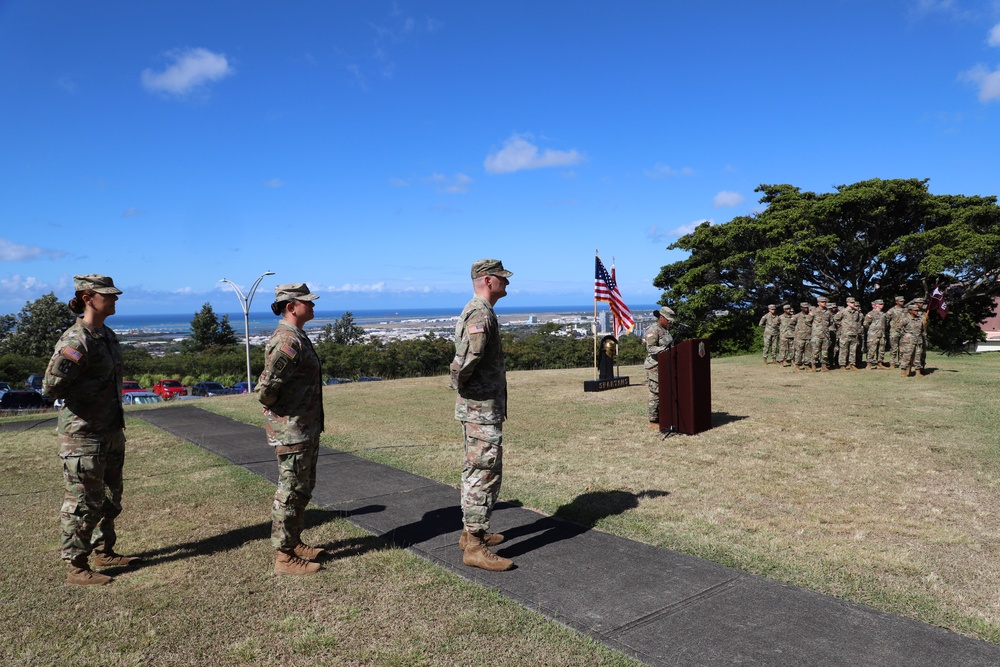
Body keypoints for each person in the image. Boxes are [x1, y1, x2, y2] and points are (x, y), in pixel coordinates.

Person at [43, 274, 138, 586]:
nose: (114, 299)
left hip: (109, 430)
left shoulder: (105, 336)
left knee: (109, 498)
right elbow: (51, 387)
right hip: (82, 436)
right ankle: (76, 566)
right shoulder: (76, 341)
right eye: (107, 295)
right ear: (87, 298)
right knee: (83, 503)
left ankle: (103, 551)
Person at [450, 259, 514, 572]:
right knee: (483, 473)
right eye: (503, 278)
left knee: (478, 468)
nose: (508, 283)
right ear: (488, 280)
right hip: (481, 408)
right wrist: (463, 386)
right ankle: (474, 546)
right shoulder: (479, 311)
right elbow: (466, 360)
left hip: (480, 407)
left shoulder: (481, 310)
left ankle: (470, 534)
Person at [258, 283, 325, 575]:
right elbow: (266, 388)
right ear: (291, 306)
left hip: (304, 427)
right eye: (307, 302)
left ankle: (294, 542)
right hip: (293, 429)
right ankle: (284, 557)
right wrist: (282, 415)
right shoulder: (287, 340)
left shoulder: (297, 336)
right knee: (290, 490)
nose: (312, 306)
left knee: (302, 488)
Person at [644, 306, 675, 426]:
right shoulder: (653, 330)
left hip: (666, 366)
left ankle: (665, 415)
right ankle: (653, 418)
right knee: (655, 392)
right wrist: (666, 349)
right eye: (668, 320)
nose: (670, 322)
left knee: (666, 391)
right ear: (661, 318)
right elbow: (651, 349)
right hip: (654, 366)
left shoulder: (666, 330)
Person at [897, 302, 926, 378]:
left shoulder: (920, 319)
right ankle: (903, 372)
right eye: (915, 310)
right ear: (910, 311)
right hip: (909, 342)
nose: (917, 311)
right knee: (907, 356)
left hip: (918, 341)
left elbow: (922, 329)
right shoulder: (905, 319)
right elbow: (898, 328)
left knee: (918, 356)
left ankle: (918, 372)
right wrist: (906, 335)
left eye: (917, 310)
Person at [836, 298, 864, 370]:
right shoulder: (843, 311)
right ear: (847, 303)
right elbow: (836, 319)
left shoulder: (856, 312)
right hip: (845, 333)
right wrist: (843, 326)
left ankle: (852, 364)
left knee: (853, 350)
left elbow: (858, 322)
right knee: (843, 349)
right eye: (851, 302)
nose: (853, 304)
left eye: (853, 302)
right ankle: (842, 365)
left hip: (854, 333)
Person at [863, 299, 889, 369]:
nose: (882, 305)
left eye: (882, 304)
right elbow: (865, 324)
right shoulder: (870, 314)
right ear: (876, 305)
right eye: (880, 304)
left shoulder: (883, 314)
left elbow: (886, 324)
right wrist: (872, 329)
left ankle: (880, 363)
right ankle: (869, 364)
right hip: (873, 335)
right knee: (871, 349)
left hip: (881, 334)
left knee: (881, 349)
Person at [810, 296, 833, 372]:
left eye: (825, 302)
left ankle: (824, 366)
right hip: (816, 335)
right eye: (822, 302)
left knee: (825, 352)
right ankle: (814, 366)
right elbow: (808, 321)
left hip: (825, 335)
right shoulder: (814, 311)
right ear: (818, 303)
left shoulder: (828, 312)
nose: (824, 303)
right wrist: (816, 328)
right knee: (815, 351)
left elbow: (831, 322)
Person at [886, 296, 907, 368]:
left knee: (902, 348)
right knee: (893, 348)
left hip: (903, 332)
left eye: (903, 301)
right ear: (896, 302)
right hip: (894, 331)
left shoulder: (905, 310)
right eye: (901, 301)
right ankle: (892, 362)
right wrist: (890, 327)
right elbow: (886, 319)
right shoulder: (892, 310)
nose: (902, 302)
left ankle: (901, 362)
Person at [792, 302, 813, 370]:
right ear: (801, 308)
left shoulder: (810, 315)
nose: (806, 309)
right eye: (804, 307)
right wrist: (797, 331)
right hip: (799, 337)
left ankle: (807, 364)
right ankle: (797, 364)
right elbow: (791, 324)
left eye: (807, 307)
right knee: (799, 351)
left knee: (808, 351)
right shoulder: (797, 316)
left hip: (809, 336)